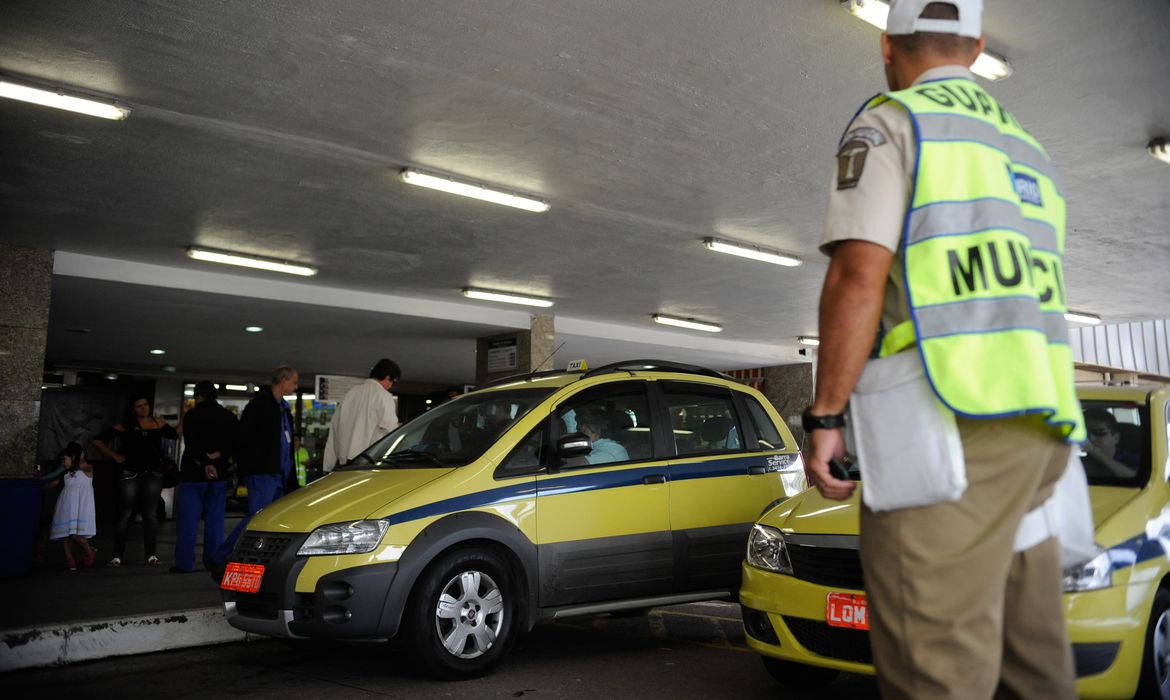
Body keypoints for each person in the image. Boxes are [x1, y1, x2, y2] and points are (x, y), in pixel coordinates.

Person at [802, 2, 1085, 698]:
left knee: (935, 669)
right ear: (978, 45)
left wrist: (826, 415)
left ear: (887, 47)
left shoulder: (894, 124)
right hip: (1042, 433)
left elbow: (858, 274)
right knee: (1033, 664)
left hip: (948, 430)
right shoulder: (1026, 148)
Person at [210, 365, 299, 578]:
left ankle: (253, 559)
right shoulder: (260, 406)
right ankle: (222, 556)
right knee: (256, 517)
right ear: (283, 381)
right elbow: (246, 439)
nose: (296, 387)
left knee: (269, 519)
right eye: (294, 382)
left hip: (279, 472)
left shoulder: (283, 408)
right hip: (263, 472)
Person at [93, 395, 179, 567]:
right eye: (139, 406)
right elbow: (97, 440)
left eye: (145, 404)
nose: (144, 408)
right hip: (130, 472)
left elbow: (175, 435)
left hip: (153, 473)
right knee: (125, 514)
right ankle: (117, 556)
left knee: (150, 515)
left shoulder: (157, 423)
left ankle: (151, 555)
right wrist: (115, 456)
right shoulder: (124, 426)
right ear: (132, 410)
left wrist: (185, 416)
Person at [171, 380, 238, 574]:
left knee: (188, 521)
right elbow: (234, 443)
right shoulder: (228, 416)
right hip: (219, 475)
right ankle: (213, 561)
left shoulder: (192, 415)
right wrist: (217, 457)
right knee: (215, 521)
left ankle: (185, 564)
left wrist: (205, 461)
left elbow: (191, 444)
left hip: (193, 474)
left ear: (198, 395)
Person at [323, 359, 401, 472]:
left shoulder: (351, 392)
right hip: (367, 462)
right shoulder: (384, 396)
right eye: (393, 382)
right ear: (388, 377)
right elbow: (391, 430)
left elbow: (335, 427)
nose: (391, 386)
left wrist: (327, 466)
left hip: (343, 462)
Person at [48, 442, 97, 570]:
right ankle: (69, 558)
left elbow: (80, 466)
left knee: (76, 535)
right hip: (67, 504)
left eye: (64, 459)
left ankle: (89, 551)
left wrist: (74, 460)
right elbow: (54, 482)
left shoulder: (87, 468)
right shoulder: (66, 473)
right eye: (61, 460)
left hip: (81, 505)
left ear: (74, 457)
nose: (63, 462)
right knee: (65, 533)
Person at [1082, 408, 1139, 478]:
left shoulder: (1134, 460)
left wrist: (1098, 454)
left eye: (1099, 432)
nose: (1091, 438)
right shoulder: (1079, 463)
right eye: (1085, 434)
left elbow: (1135, 477)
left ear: (1116, 438)